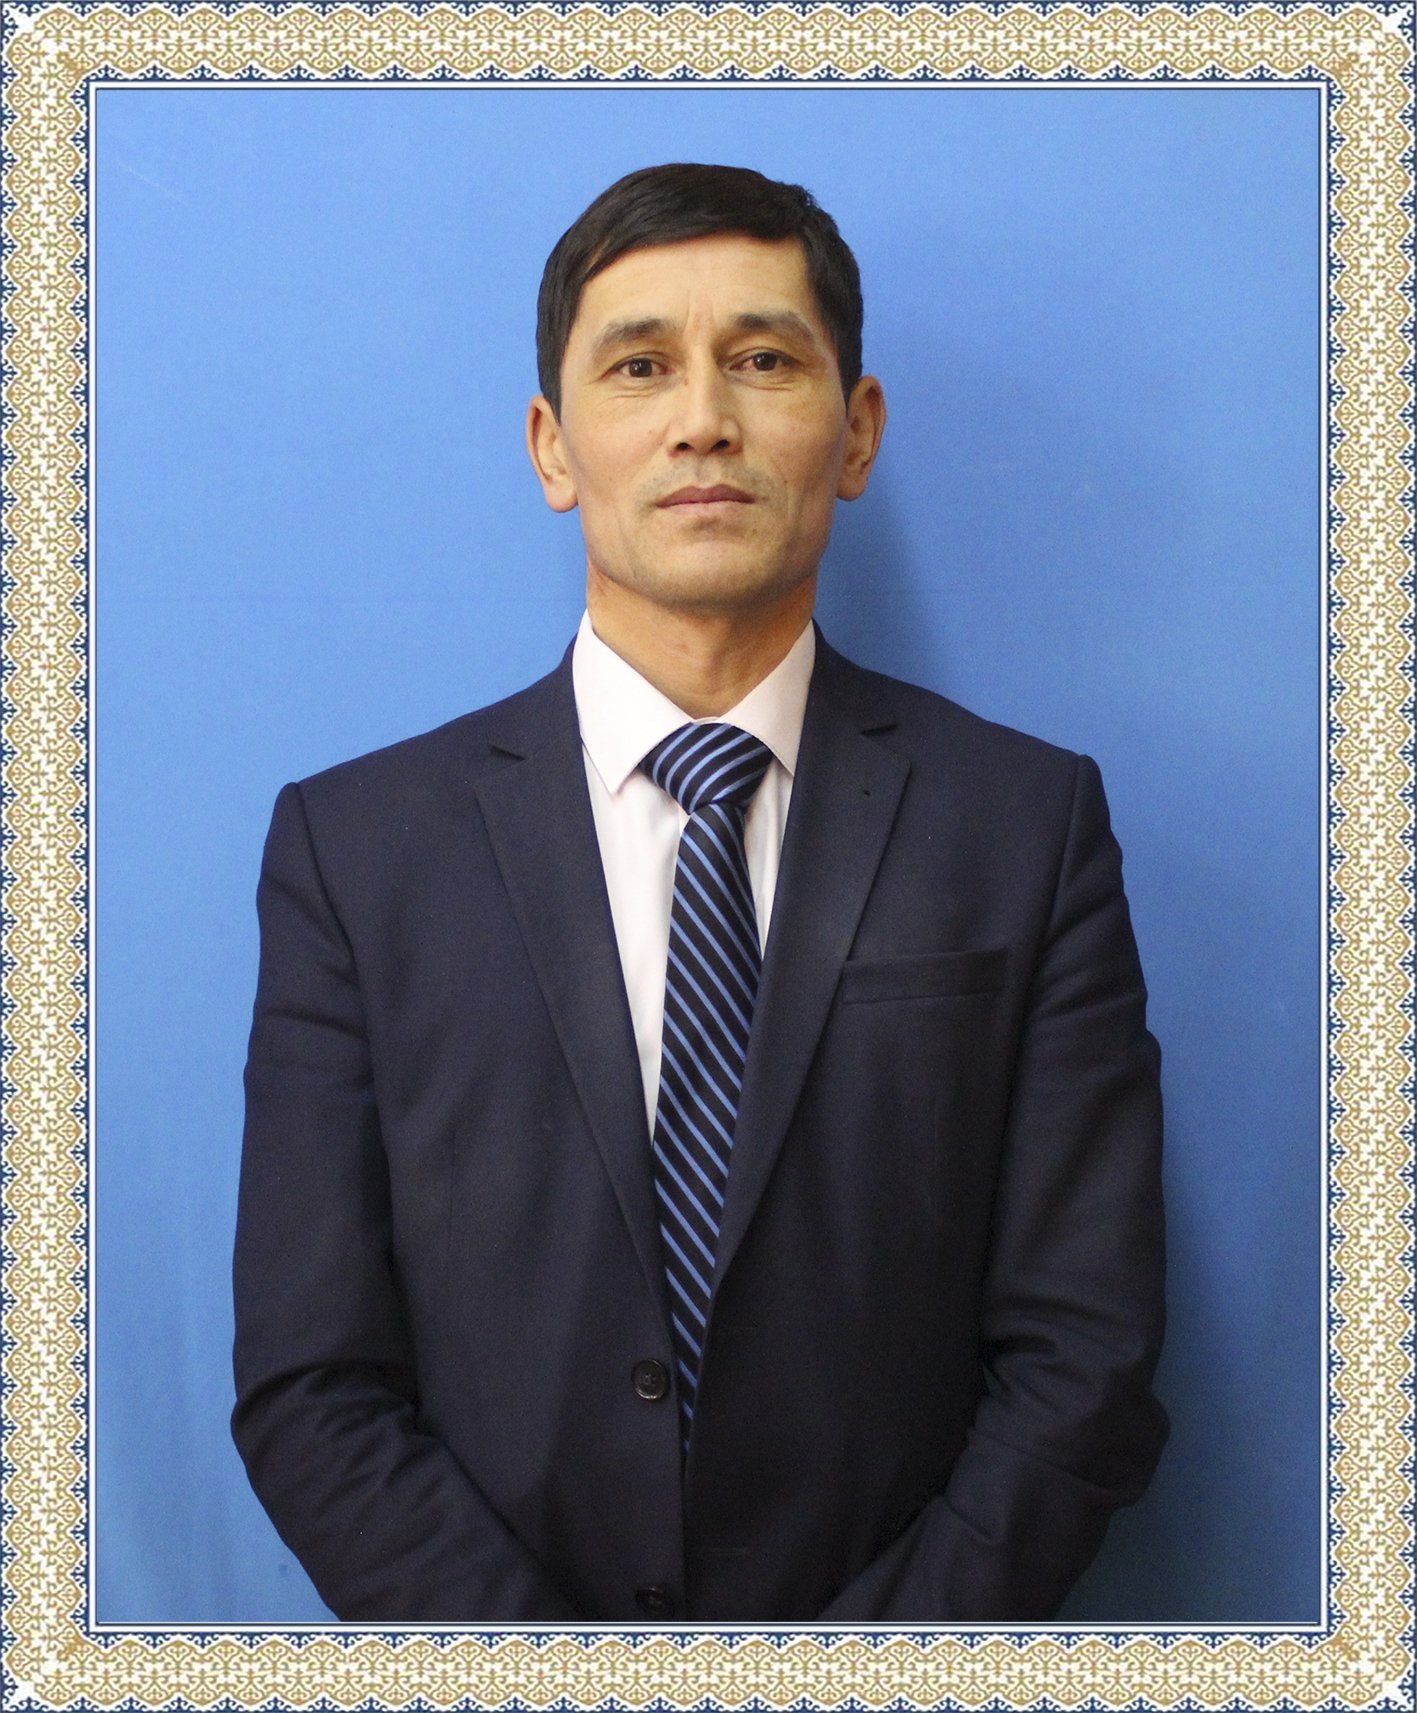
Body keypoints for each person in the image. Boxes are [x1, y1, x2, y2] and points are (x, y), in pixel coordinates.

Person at [232, 162, 1168, 1624]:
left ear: (856, 430)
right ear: (553, 447)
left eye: (764, 360)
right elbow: (311, 1380)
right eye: (639, 366)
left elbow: (1084, 1356)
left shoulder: (1023, 826)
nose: (703, 420)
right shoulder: (357, 851)